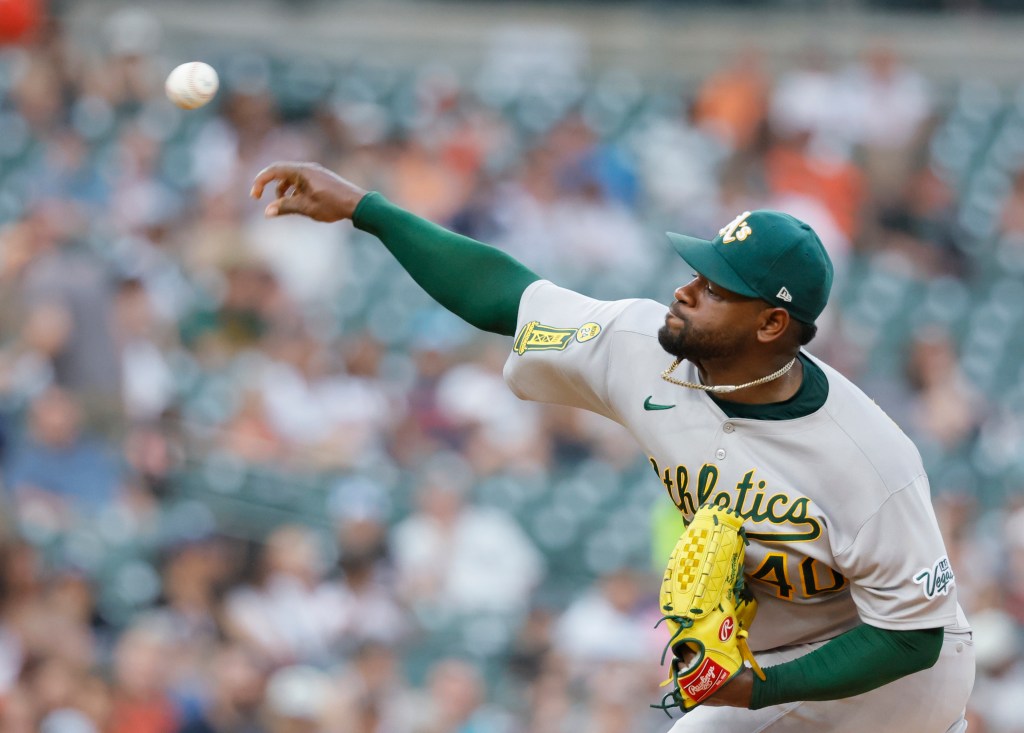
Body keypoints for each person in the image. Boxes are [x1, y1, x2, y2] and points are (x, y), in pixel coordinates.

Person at [248, 162, 975, 732]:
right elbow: (505, 295)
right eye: (697, 272)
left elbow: (913, 636)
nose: (686, 291)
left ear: (770, 325)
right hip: (772, 653)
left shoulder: (869, 458)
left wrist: (762, 687)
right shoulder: (639, 346)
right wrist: (366, 209)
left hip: (897, 683)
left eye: (716, 287)